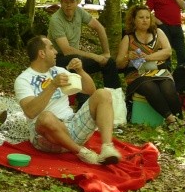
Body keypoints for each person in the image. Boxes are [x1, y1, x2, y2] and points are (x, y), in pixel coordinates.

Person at [15, 36, 122, 165]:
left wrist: (80, 70)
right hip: (46, 137)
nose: (55, 52)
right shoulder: (23, 79)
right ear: (42, 53)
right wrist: (53, 86)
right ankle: (82, 152)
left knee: (103, 94)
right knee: (46, 117)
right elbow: (30, 112)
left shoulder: (59, 71)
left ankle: (107, 148)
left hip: (72, 127)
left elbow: (90, 90)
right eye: (51, 48)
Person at [115, 5, 185, 131]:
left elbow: (168, 52)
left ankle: (180, 119)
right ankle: (171, 119)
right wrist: (127, 57)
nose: (145, 20)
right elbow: (119, 63)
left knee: (168, 87)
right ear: (134, 20)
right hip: (137, 74)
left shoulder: (158, 32)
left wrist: (147, 57)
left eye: (147, 17)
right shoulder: (128, 38)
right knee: (149, 86)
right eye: (141, 17)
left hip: (159, 71)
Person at [47, 0, 120, 106]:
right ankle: (84, 103)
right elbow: (66, 50)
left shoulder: (79, 12)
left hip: (75, 57)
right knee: (76, 60)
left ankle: (115, 102)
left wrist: (106, 53)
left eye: (72, 2)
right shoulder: (56, 20)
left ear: (77, 2)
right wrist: (96, 56)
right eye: (65, 2)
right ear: (61, 3)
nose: (68, 5)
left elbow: (99, 28)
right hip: (58, 60)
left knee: (109, 62)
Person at [146, 0, 185, 68]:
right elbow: (147, 10)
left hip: (177, 26)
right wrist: (158, 22)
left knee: (182, 54)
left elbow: (183, 6)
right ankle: (167, 77)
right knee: (165, 54)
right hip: (163, 28)